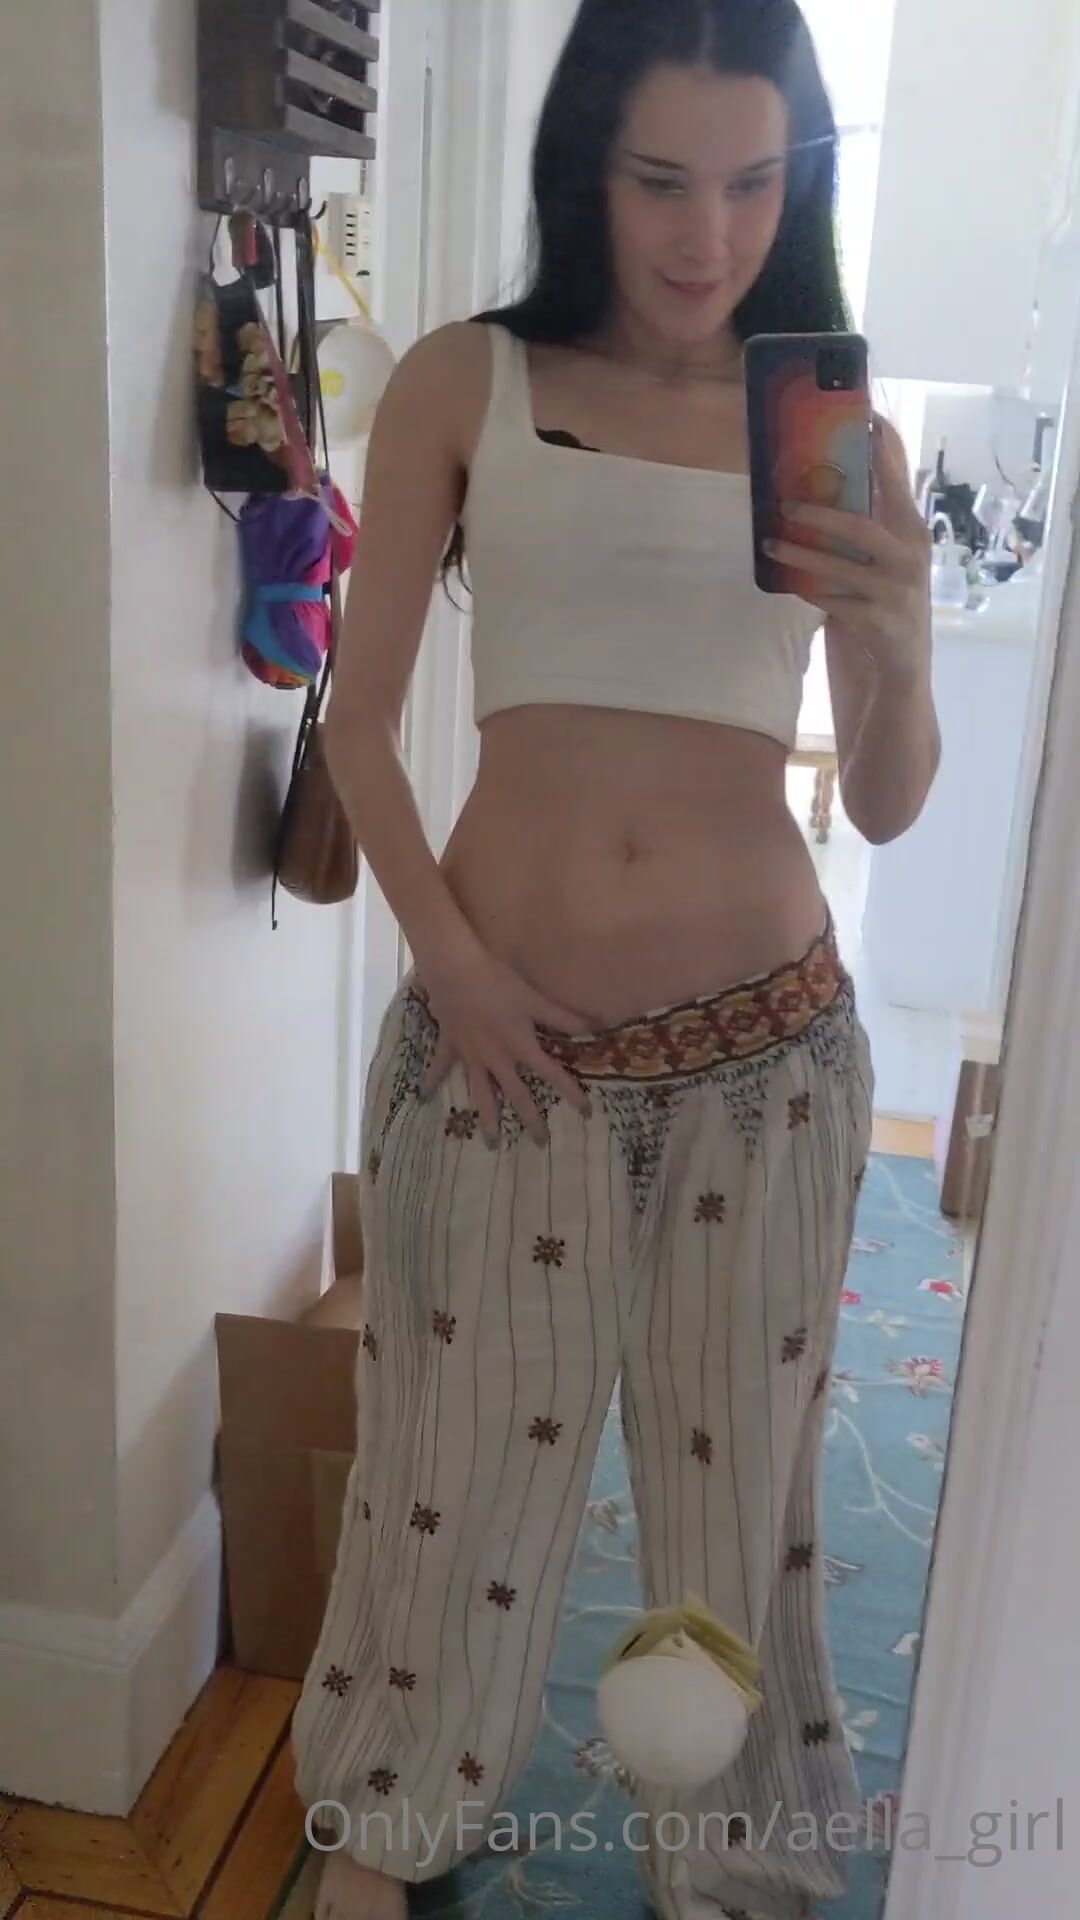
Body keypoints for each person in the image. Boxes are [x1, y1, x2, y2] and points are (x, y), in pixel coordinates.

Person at [289, 0, 939, 1914]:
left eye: (752, 185)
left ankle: (732, 1855)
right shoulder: (463, 382)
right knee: (449, 1469)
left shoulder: (835, 435)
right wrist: (454, 967)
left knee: (743, 1497)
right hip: (506, 1043)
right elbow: (355, 721)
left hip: (771, 1055)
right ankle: (392, 1813)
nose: (706, 234)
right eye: (662, 179)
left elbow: (888, 799)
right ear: (589, 163)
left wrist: (899, 642)